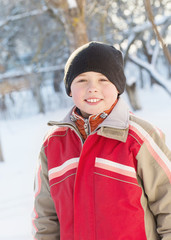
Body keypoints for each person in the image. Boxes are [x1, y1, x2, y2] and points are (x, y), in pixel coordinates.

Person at [32, 41, 171, 240]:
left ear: (118, 86)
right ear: (70, 88)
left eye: (103, 80)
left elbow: (168, 203)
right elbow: (45, 217)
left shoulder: (138, 137)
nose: (92, 88)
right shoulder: (53, 144)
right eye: (82, 80)